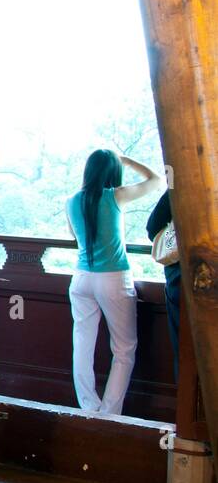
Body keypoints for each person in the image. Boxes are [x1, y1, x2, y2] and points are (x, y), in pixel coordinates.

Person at [65, 150, 164, 416]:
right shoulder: (115, 196)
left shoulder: (72, 201)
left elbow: (75, 235)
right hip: (114, 279)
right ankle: (109, 414)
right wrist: (128, 160)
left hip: (82, 278)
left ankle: (88, 407)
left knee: (82, 344)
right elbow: (156, 180)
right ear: (112, 172)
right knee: (123, 349)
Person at [146, 190, 182, 379]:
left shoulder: (185, 181)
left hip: (181, 276)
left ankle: (189, 405)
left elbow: (153, 227)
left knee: (184, 351)